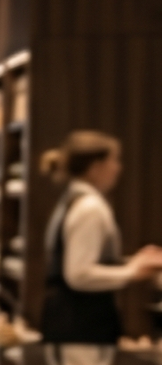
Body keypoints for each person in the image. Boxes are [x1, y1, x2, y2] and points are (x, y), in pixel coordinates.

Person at [37, 130, 162, 344]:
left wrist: (133, 261)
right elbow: (78, 274)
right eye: (114, 160)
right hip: (80, 320)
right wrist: (131, 271)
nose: (118, 168)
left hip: (68, 316)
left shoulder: (74, 198)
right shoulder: (90, 208)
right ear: (96, 167)